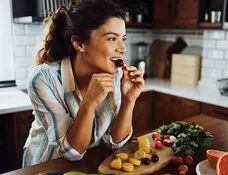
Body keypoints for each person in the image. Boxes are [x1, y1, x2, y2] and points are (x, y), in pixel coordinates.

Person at [23, 0, 144, 167]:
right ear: (79, 43)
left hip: (87, 165)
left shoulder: (114, 75)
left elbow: (116, 142)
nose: (122, 48)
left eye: (122, 39)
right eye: (111, 38)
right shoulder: (43, 78)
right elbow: (72, 152)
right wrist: (89, 103)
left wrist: (129, 100)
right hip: (46, 166)